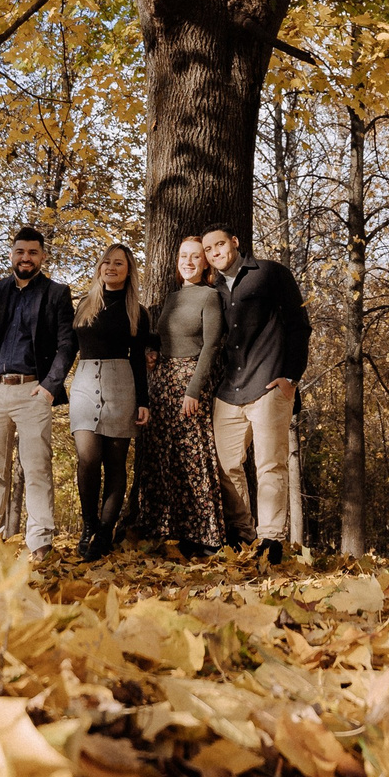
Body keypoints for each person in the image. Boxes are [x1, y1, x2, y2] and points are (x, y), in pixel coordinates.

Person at [201, 224, 310, 564]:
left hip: (268, 385)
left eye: (219, 244)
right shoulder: (213, 288)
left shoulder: (270, 273)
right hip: (229, 389)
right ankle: (242, 532)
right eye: (209, 250)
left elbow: (299, 323)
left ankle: (271, 539)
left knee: (270, 464)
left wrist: (291, 376)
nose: (215, 252)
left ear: (234, 242)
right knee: (225, 463)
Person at [0, 225, 76, 553]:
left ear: (42, 256)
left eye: (32, 252)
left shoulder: (56, 293)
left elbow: (67, 344)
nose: (25, 258)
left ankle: (40, 544)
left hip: (33, 393)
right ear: (11, 254)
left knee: (38, 468)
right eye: (20, 251)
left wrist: (49, 388)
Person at [128, 235, 229, 554]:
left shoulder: (209, 296)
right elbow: (167, 338)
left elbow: (211, 345)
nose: (188, 261)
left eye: (195, 257)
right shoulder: (171, 298)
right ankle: (162, 528)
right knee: (161, 456)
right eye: (183, 256)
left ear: (205, 263)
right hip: (162, 382)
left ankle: (201, 537)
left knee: (192, 455)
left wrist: (194, 390)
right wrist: (151, 351)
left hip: (189, 383)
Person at [67, 243, 151, 560]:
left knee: (115, 465)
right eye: (107, 262)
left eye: (119, 263)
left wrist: (143, 402)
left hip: (122, 385)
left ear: (128, 271)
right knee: (88, 459)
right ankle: (88, 526)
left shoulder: (137, 312)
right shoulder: (83, 306)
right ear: (99, 268)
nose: (111, 267)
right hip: (86, 385)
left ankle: (104, 532)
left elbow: (141, 361)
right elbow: (67, 348)